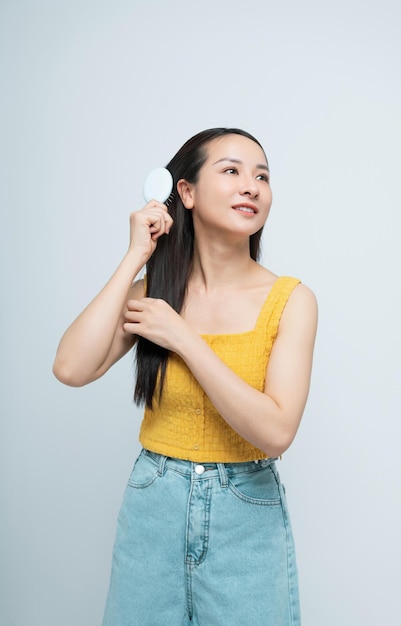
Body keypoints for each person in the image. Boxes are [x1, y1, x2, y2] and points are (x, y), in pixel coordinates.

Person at [53, 127, 318, 626]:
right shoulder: (155, 291)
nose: (252, 186)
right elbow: (70, 367)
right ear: (186, 193)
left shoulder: (292, 301)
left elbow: (276, 432)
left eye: (262, 175)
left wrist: (184, 339)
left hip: (247, 513)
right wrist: (136, 256)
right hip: (155, 504)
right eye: (232, 171)